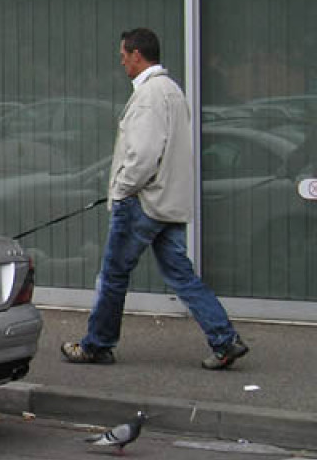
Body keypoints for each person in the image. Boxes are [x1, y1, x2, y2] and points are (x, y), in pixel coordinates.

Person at [61, 27, 249, 370]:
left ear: (137, 55)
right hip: (169, 203)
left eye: (123, 55)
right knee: (182, 275)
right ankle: (225, 340)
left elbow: (144, 154)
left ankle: (97, 345)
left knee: (113, 275)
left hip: (142, 202)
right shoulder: (173, 91)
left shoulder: (149, 95)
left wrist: (121, 189)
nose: (121, 62)